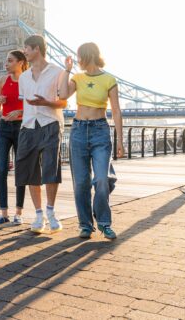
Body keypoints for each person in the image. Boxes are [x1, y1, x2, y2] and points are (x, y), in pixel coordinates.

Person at [59, 42, 124, 240]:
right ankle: (85, 225)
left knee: (102, 180)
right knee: (81, 183)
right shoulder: (77, 78)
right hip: (78, 130)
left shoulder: (109, 79)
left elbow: (116, 110)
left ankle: (104, 223)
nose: (78, 61)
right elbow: (62, 95)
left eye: (79, 57)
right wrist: (66, 71)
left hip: (100, 131)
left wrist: (120, 140)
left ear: (87, 56)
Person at [16, 35, 67, 233]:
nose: (24, 52)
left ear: (36, 49)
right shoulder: (23, 77)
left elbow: (63, 102)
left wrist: (45, 102)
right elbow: (25, 105)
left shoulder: (57, 72)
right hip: (28, 126)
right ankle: (39, 216)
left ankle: (51, 212)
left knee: (50, 170)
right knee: (30, 172)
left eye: (26, 48)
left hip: (50, 124)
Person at [0, 50, 28, 225]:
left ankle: (18, 213)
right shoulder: (1, 80)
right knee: (1, 169)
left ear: (21, 62)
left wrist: (20, 111)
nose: (6, 64)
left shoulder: (27, 80)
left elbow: (33, 106)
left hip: (22, 127)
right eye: (6, 61)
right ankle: (4, 213)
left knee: (20, 169)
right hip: (4, 127)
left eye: (10, 61)